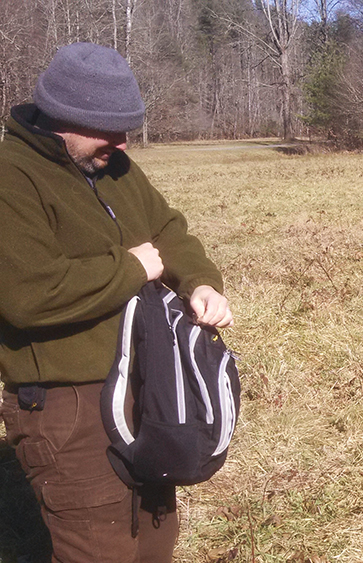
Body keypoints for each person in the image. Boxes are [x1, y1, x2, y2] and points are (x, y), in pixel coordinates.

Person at [0, 42, 233, 562]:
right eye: (110, 129)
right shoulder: (10, 177)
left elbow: (168, 232)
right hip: (67, 402)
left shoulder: (116, 168)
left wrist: (199, 280)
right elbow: (28, 295)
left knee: (155, 540)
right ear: (64, 118)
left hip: (147, 383)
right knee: (99, 549)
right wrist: (135, 267)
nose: (124, 143)